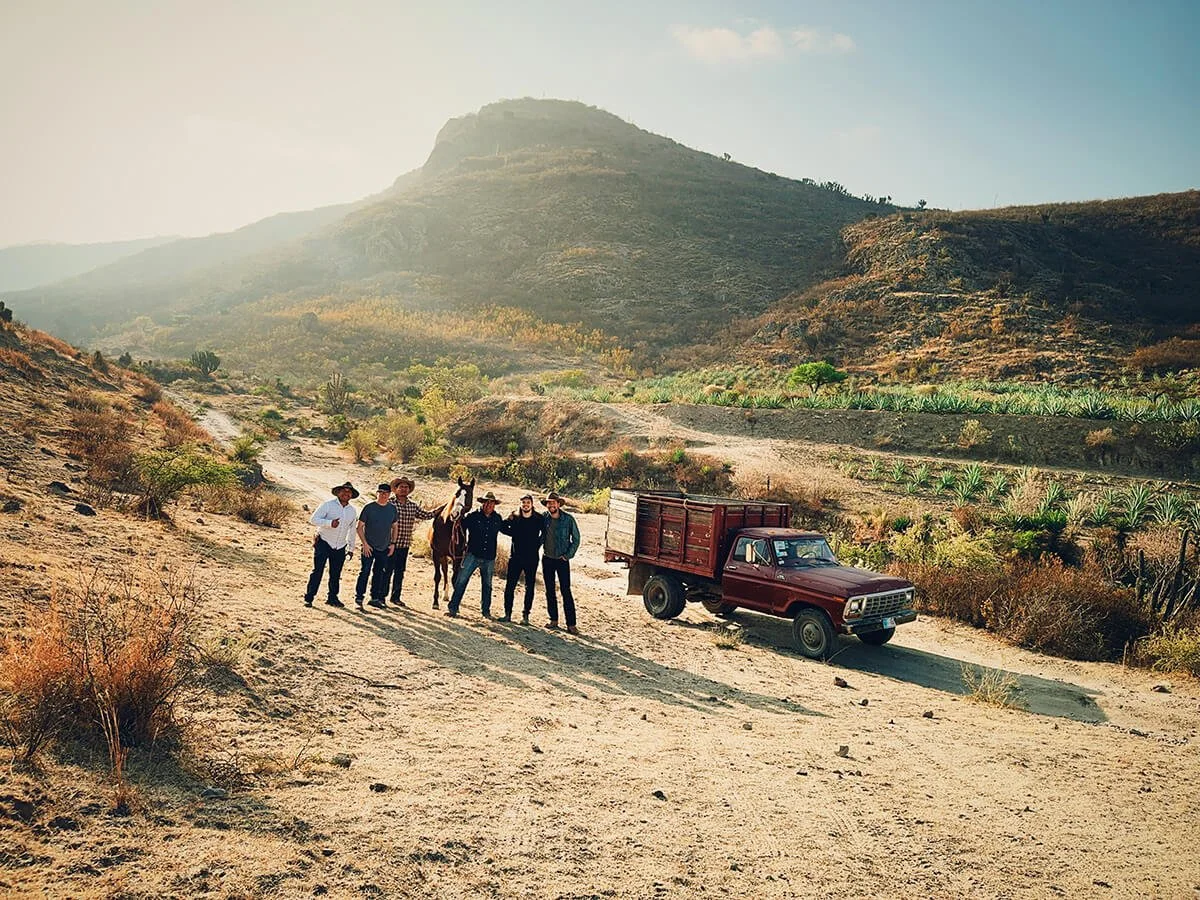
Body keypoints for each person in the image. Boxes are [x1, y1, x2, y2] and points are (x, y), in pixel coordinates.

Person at [446, 491, 504, 619]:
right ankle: (453, 608)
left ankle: (486, 611)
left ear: (495, 505)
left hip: (489, 557)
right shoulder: (473, 516)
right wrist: (456, 514)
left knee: (487, 585)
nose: (489, 505)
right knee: (461, 581)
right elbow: (459, 526)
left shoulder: (497, 518)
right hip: (472, 554)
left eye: (492, 503)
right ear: (483, 503)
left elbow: (506, 529)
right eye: (487, 502)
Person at [304, 482, 359, 608]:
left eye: (349, 492)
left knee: (336, 574)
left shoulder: (352, 511)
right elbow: (313, 519)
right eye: (343, 491)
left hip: (340, 545)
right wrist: (329, 523)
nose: (346, 494)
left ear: (351, 495)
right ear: (338, 492)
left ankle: (332, 598)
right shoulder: (327, 505)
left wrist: (351, 548)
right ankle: (309, 598)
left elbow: (352, 530)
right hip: (324, 541)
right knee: (317, 570)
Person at [386, 476, 439, 608]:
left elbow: (426, 515)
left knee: (400, 571)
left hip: (404, 544)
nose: (404, 489)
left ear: (409, 490)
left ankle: (395, 597)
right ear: (396, 489)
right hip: (389, 544)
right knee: (386, 571)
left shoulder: (412, 506)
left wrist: (441, 509)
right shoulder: (389, 503)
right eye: (401, 487)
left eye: (406, 487)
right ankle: (380, 596)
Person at [498, 492, 546, 624]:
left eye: (528, 503)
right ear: (521, 504)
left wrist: (537, 543)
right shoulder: (515, 517)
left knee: (529, 587)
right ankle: (507, 614)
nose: (525, 505)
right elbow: (502, 527)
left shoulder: (538, 518)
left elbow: (544, 533)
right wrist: (512, 531)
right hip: (515, 557)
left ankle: (525, 616)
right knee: (510, 586)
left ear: (532, 504)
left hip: (531, 558)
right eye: (523, 503)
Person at [541, 491, 581, 634]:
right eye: (548, 503)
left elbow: (576, 539)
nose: (551, 505)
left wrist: (568, 555)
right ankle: (553, 619)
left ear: (558, 504)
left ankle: (571, 624)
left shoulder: (568, 519)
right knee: (549, 590)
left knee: (566, 591)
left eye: (553, 502)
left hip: (562, 560)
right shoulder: (544, 518)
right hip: (547, 559)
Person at [355, 483, 398, 610]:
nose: (383, 495)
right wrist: (365, 544)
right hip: (369, 547)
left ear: (389, 495)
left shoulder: (392, 509)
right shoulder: (369, 508)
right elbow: (359, 528)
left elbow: (395, 527)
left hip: (384, 547)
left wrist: (393, 544)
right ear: (377, 493)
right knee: (364, 572)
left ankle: (374, 598)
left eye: (386, 493)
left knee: (379, 573)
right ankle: (359, 598)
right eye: (381, 492)